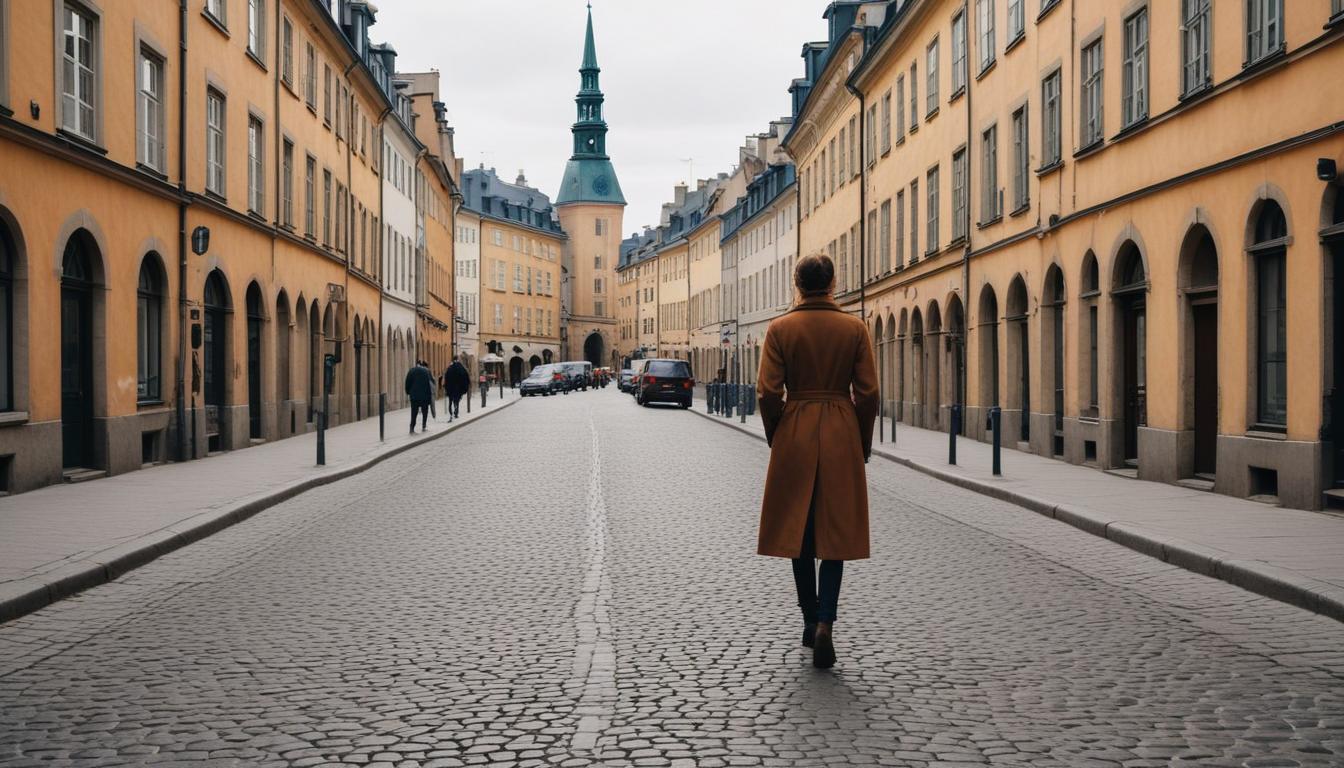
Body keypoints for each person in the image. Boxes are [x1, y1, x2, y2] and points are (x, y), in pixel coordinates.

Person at [755, 252, 879, 669]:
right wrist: (862, 439)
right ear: (833, 282)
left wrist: (778, 433)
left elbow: (768, 392)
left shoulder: (780, 328)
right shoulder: (854, 328)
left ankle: (809, 620)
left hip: (796, 431)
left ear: (797, 283)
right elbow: (869, 393)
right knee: (836, 534)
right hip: (841, 429)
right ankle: (827, 621)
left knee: (798, 532)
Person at [405, 360, 435, 433]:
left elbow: (407, 383)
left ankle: (412, 428)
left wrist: (408, 392)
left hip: (414, 396)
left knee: (414, 412)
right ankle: (423, 426)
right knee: (425, 411)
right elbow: (430, 383)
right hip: (424, 395)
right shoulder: (426, 372)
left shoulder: (411, 371)